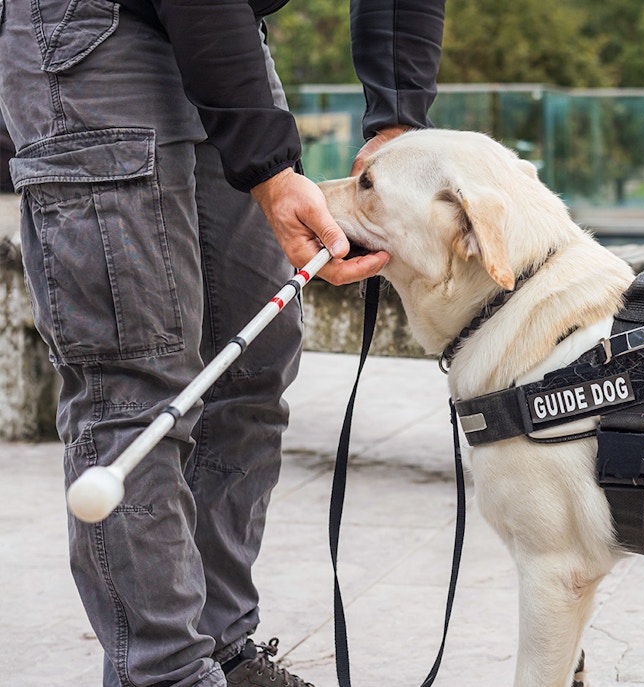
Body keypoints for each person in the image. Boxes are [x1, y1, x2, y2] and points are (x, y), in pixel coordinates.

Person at [0, 1, 445, 685]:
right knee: (137, 377)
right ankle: (167, 674)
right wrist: (269, 168)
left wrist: (397, 123)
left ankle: (221, 650)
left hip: (226, 26)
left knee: (251, 362)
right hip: (88, 29)